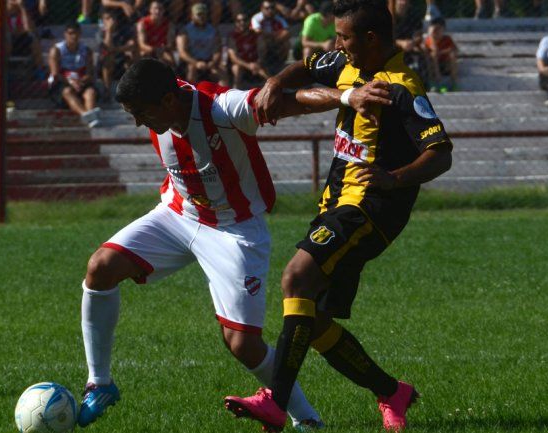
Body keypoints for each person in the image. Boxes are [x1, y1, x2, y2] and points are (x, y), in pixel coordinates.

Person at [76, 57, 394, 430]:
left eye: (141, 114)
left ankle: (306, 420)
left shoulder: (223, 109)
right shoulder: (161, 99)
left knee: (243, 344)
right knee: (100, 268)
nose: (137, 123)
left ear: (167, 101)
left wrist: (347, 96)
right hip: (178, 215)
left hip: (235, 231)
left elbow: (289, 102)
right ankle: (100, 383)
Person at [224, 1, 453, 432]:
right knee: (313, 320)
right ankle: (392, 391)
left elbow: (440, 154)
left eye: (344, 38)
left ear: (370, 40)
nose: (337, 45)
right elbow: (305, 66)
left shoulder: (402, 85)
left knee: (295, 278)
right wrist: (274, 83)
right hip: (337, 203)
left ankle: (275, 402)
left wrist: (393, 177)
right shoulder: (348, 64)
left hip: (371, 206)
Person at [47, 22, 100, 127]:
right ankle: (86, 115)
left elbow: (89, 73)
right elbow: (56, 74)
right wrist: (71, 82)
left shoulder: (86, 50)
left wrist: (81, 81)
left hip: (80, 81)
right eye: (70, 33)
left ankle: (90, 118)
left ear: (80, 34)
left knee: (90, 92)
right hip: (62, 82)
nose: (73, 36)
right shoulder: (56, 50)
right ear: (65, 34)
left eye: (76, 33)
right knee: (67, 91)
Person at [176, 2, 223, 84]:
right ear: (192, 16)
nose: (201, 17)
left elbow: (217, 50)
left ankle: (226, 94)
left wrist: (212, 62)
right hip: (192, 61)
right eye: (199, 14)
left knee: (222, 73)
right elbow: (182, 52)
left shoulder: (213, 30)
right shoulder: (185, 30)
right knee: (191, 69)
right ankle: (192, 94)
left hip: (208, 61)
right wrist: (196, 63)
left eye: (204, 14)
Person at [98, 8, 136, 100]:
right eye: (106, 19)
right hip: (106, 66)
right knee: (108, 59)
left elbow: (132, 45)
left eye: (111, 18)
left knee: (131, 57)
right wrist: (109, 31)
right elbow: (107, 48)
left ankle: (130, 91)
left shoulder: (124, 30)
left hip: (121, 61)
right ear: (103, 21)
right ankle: (107, 91)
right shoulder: (100, 33)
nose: (110, 21)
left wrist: (115, 50)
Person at [227, 12, 267, 89]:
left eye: (244, 20)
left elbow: (262, 51)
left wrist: (258, 63)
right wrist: (249, 66)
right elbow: (234, 58)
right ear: (235, 23)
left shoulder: (256, 34)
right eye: (239, 21)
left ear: (249, 21)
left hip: (255, 63)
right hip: (241, 64)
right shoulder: (232, 36)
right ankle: (235, 92)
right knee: (237, 69)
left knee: (266, 74)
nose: (242, 23)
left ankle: (270, 92)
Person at [251, 0, 291, 76]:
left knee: (287, 43)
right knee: (262, 40)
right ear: (262, 8)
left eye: (272, 8)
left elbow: (287, 32)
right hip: (259, 44)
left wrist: (275, 37)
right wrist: (275, 34)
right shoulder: (256, 18)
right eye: (267, 8)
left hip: (275, 41)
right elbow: (257, 31)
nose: (270, 10)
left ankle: (281, 62)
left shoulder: (278, 18)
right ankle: (262, 63)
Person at [136, 1, 175, 67]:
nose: (157, 11)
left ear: (164, 11)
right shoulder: (142, 23)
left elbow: (170, 44)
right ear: (150, 10)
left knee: (170, 61)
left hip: (162, 50)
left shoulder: (169, 24)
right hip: (148, 49)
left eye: (160, 9)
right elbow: (142, 44)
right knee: (144, 55)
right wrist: (154, 50)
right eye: (155, 8)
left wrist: (163, 48)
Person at [424, 17, 457, 92]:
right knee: (433, 55)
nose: (437, 32)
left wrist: (442, 52)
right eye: (435, 30)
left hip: (445, 63)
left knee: (452, 55)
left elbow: (454, 49)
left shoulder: (447, 39)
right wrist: (432, 38)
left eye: (439, 29)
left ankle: (454, 82)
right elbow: (432, 50)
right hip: (433, 64)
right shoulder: (429, 40)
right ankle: (436, 83)